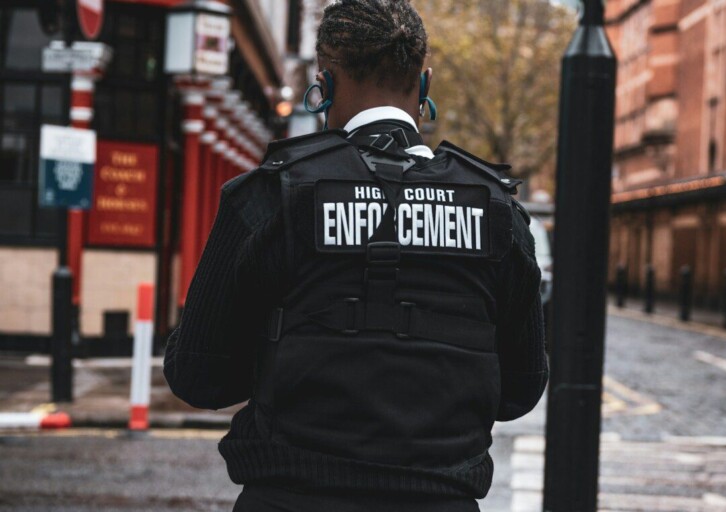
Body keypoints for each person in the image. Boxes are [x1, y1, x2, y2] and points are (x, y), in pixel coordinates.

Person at [163, 0, 548, 510]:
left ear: (323, 83)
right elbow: (520, 390)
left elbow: (196, 375)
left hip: (290, 497)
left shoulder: (267, 197)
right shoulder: (497, 210)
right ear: (424, 83)